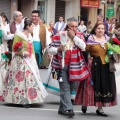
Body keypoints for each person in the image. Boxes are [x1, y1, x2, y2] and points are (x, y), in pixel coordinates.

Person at [48, 17, 89, 117]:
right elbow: (49, 50)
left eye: (76, 26)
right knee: (64, 88)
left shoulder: (79, 35)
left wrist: (74, 37)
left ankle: (61, 109)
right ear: (67, 26)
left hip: (75, 67)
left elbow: (83, 47)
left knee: (68, 88)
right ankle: (69, 109)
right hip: (58, 66)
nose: (74, 28)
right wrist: (58, 49)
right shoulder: (58, 35)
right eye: (72, 26)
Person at [2, 19, 48, 107]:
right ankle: (22, 100)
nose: (33, 27)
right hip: (20, 60)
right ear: (27, 26)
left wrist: (33, 59)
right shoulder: (18, 35)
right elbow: (14, 47)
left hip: (29, 60)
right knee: (22, 80)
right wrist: (23, 52)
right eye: (32, 26)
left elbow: (32, 49)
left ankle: (31, 99)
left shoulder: (30, 36)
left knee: (31, 79)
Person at [75, 21, 117, 117]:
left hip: (105, 66)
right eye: (99, 28)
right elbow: (84, 50)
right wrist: (88, 58)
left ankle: (100, 109)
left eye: (102, 28)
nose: (100, 30)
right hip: (93, 65)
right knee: (91, 87)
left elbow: (111, 50)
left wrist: (112, 54)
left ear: (105, 30)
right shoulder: (90, 39)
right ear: (95, 29)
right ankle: (85, 104)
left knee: (103, 86)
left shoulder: (108, 40)